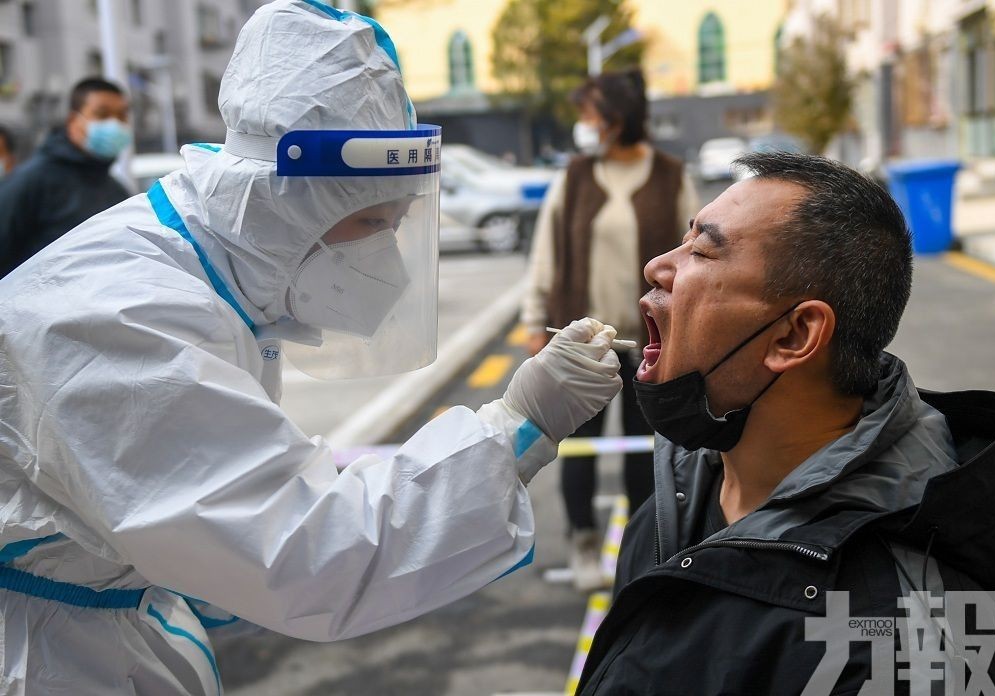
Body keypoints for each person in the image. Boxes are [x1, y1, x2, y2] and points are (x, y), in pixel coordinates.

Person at [0, 3, 623, 694]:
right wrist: (516, 426)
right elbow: (306, 553)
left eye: (399, 221)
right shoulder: (120, 319)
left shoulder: (215, 275)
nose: (386, 255)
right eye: (370, 220)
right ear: (284, 200)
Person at [575, 152, 995, 694]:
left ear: (795, 336)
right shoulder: (674, 503)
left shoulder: (892, 642)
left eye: (702, 251)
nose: (658, 266)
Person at [521, 68, 699, 592]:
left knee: (647, 452)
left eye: (590, 113)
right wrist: (535, 321)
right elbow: (546, 253)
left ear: (618, 118)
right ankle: (581, 541)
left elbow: (697, 257)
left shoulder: (670, 176)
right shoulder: (574, 176)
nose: (584, 123)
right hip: (586, 337)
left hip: (651, 339)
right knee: (579, 445)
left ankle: (642, 551)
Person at [0, 77, 131, 277]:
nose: (114, 124)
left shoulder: (117, 191)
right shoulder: (31, 181)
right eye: (102, 114)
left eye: (121, 116)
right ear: (73, 121)